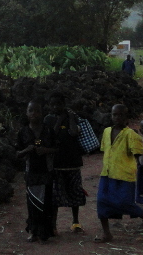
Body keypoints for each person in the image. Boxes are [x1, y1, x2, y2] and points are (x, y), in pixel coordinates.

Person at [94, 104, 143, 243]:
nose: (117, 117)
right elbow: (105, 150)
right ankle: (107, 233)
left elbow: (138, 154)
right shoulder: (106, 132)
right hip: (107, 173)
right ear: (111, 116)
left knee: (125, 203)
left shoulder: (131, 134)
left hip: (124, 175)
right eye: (114, 114)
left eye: (121, 115)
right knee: (101, 201)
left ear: (126, 118)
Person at [44, 91, 87, 235]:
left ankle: (75, 222)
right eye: (53, 105)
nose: (56, 107)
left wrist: (70, 117)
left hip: (73, 162)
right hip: (56, 163)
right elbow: (51, 135)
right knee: (55, 197)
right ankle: (53, 225)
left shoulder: (72, 117)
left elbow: (74, 132)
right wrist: (60, 119)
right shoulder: (48, 119)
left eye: (59, 104)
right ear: (49, 106)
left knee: (75, 193)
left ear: (64, 104)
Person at [16, 100, 57, 242]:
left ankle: (45, 232)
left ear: (42, 113)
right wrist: (27, 150)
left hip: (46, 171)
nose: (34, 114)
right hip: (31, 172)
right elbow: (17, 153)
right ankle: (33, 231)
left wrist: (45, 150)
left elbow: (57, 149)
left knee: (46, 202)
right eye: (31, 110)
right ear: (26, 113)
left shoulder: (48, 131)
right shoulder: (23, 132)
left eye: (37, 111)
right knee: (32, 202)